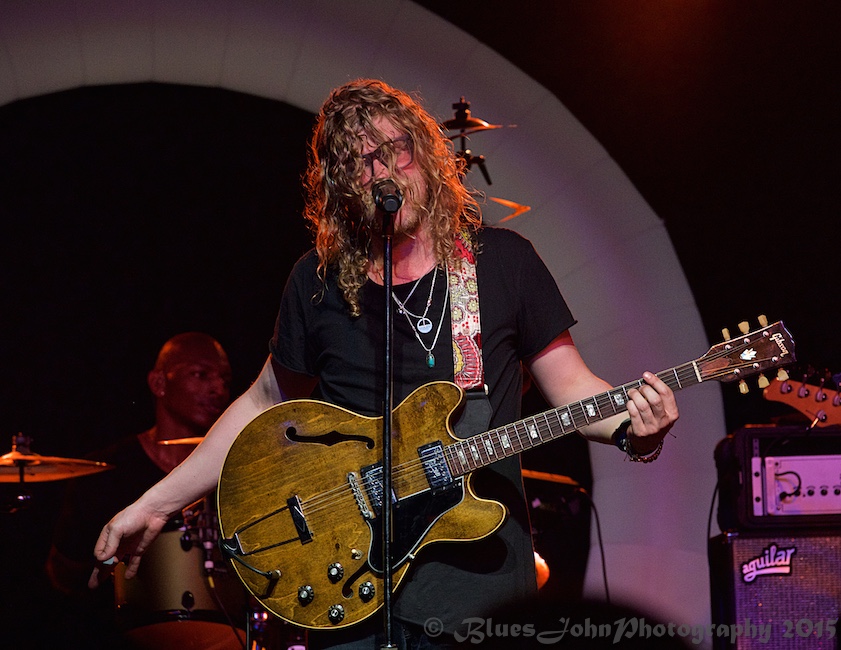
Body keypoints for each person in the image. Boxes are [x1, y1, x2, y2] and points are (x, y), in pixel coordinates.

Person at [90, 79, 678, 649]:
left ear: (426, 155)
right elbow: (263, 404)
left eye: (397, 150)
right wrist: (156, 502)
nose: (385, 172)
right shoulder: (316, 282)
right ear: (340, 185)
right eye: (362, 161)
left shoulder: (501, 263)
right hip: (348, 584)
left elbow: (572, 387)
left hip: (478, 586)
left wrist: (637, 433)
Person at [45, 332, 232, 644]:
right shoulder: (106, 473)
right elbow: (63, 573)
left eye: (225, 379)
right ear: (159, 383)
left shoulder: (232, 475)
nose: (218, 389)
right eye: (200, 375)